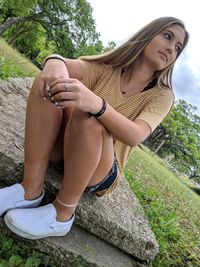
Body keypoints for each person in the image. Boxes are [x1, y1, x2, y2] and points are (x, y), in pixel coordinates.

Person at [0, 17, 189, 240]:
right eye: (167, 36)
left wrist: (97, 104)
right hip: (70, 148)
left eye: (177, 48)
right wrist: (53, 64)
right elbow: (60, 64)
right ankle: (29, 190)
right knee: (50, 82)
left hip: (102, 170)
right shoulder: (106, 70)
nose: (171, 48)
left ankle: (63, 213)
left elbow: (136, 135)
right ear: (148, 34)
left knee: (90, 116)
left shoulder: (162, 95)